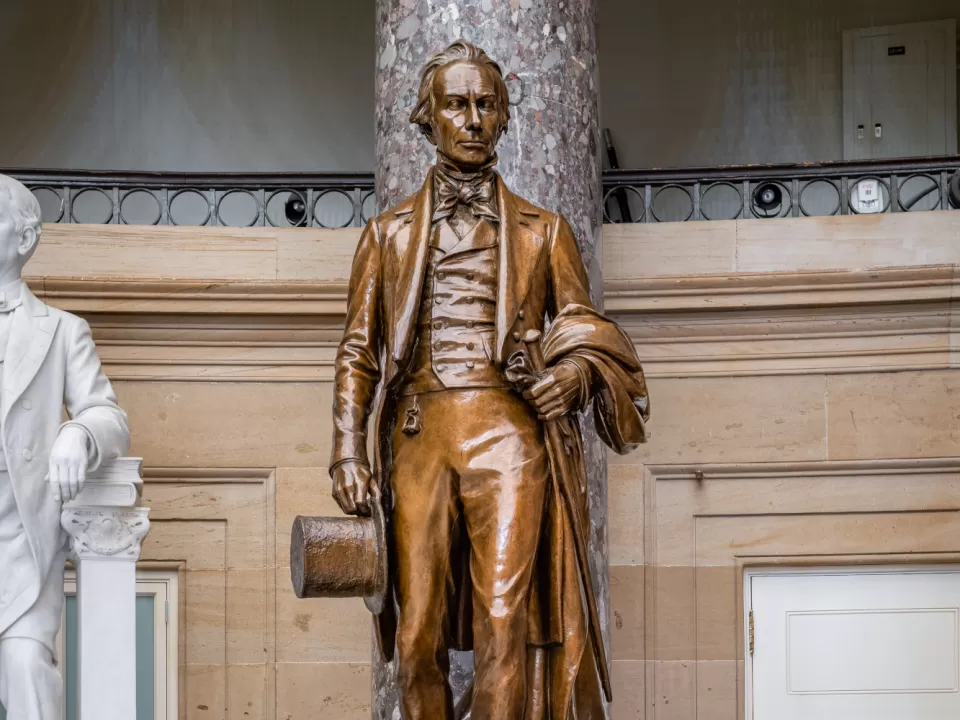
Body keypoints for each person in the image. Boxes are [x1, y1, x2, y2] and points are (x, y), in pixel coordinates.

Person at [330, 41, 649, 719]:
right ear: (428, 120)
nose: (472, 119)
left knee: (505, 621)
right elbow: (358, 349)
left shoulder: (546, 231)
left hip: (511, 439)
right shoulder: (385, 235)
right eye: (456, 105)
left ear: (502, 118)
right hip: (418, 439)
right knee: (414, 636)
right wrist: (348, 451)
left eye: (485, 105)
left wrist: (572, 378)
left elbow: (587, 334)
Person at [0, 175, 130, 719]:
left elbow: (108, 415)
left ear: (24, 236)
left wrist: (78, 432)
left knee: (27, 667)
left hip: (17, 542)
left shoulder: (61, 331)